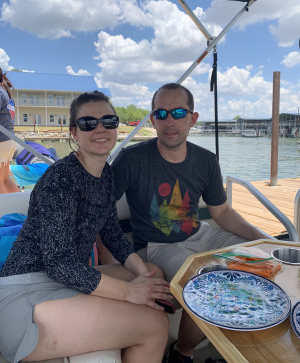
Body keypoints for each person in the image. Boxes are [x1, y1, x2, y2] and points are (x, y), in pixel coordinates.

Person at [0, 91, 172, 363]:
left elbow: (112, 233)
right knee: (155, 324)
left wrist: (143, 273)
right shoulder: (60, 179)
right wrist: (129, 292)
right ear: (74, 133)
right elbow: (59, 262)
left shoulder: (106, 176)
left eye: (108, 121)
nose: (100, 128)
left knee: (155, 274)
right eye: (88, 123)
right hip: (26, 293)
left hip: (62, 280)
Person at [111, 83, 274, 363]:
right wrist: (109, 257)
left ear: (193, 118)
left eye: (177, 112)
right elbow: (100, 210)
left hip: (204, 235)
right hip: (158, 245)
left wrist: (263, 238)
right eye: (161, 114)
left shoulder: (206, 160)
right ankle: (182, 352)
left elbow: (221, 212)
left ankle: (251, 339)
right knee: (208, 288)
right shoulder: (131, 159)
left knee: (265, 258)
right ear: (152, 120)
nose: (169, 121)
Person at [0, 68, 19, 193]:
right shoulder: (5, 92)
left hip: (1, 141)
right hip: (8, 141)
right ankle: (18, 206)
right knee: (4, 179)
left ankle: (4, 211)